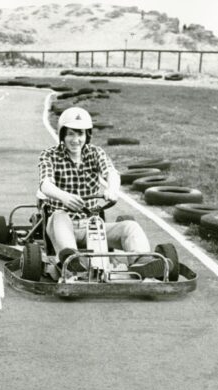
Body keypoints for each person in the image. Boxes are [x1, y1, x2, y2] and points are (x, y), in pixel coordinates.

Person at [37, 106, 168, 277]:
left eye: (80, 134)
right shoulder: (49, 155)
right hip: (61, 224)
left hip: (91, 225)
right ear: (62, 135)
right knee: (59, 215)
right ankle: (71, 261)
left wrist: (112, 189)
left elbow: (111, 173)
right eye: (70, 134)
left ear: (87, 135)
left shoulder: (95, 153)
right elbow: (45, 184)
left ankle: (141, 262)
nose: (75, 140)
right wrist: (65, 197)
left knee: (130, 226)